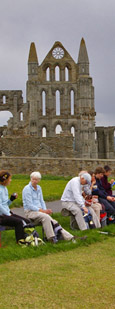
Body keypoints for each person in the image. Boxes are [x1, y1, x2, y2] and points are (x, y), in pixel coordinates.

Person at [22, 171, 75, 243]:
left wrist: (45, 210)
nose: (34, 181)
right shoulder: (27, 189)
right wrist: (43, 211)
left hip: (40, 212)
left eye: (36, 179)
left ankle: (69, 237)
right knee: (46, 217)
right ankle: (51, 238)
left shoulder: (39, 188)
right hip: (30, 212)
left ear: (39, 180)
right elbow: (29, 205)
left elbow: (42, 201)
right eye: (32, 179)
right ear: (30, 179)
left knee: (53, 221)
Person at [0, 170, 30, 243]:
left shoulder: (4, 188)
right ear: (5, 180)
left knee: (27, 221)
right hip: (1, 216)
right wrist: (8, 214)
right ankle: (20, 242)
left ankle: (28, 239)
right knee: (19, 222)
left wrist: (11, 199)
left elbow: (5, 204)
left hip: (6, 213)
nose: (10, 180)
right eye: (9, 179)